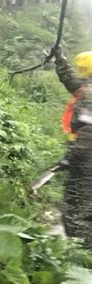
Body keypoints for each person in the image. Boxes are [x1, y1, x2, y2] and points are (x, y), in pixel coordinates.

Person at [52, 47, 92, 248]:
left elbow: (89, 131)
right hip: (84, 161)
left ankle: (82, 257)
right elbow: (71, 81)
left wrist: (72, 156)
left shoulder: (90, 94)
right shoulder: (87, 88)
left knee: (77, 210)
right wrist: (59, 60)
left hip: (87, 165)